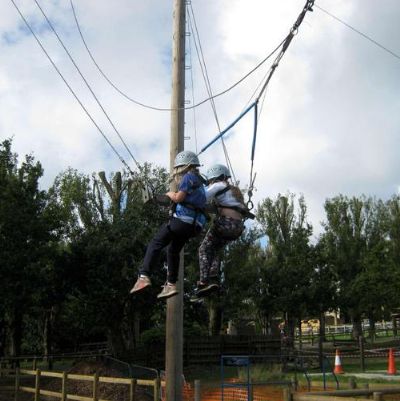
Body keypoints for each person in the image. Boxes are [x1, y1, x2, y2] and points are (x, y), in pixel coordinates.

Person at [130, 150, 206, 299]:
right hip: (194, 226)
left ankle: (144, 276)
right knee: (173, 250)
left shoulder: (188, 177)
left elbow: (178, 198)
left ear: (183, 166)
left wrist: (170, 194)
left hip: (181, 221)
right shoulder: (201, 185)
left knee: (156, 242)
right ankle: (171, 284)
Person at [193, 164, 247, 299]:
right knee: (214, 248)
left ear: (215, 178)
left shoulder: (218, 185)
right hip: (237, 228)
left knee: (203, 248)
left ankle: (203, 281)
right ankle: (213, 278)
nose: (210, 183)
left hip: (225, 224)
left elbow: (202, 197)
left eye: (210, 180)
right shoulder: (234, 192)